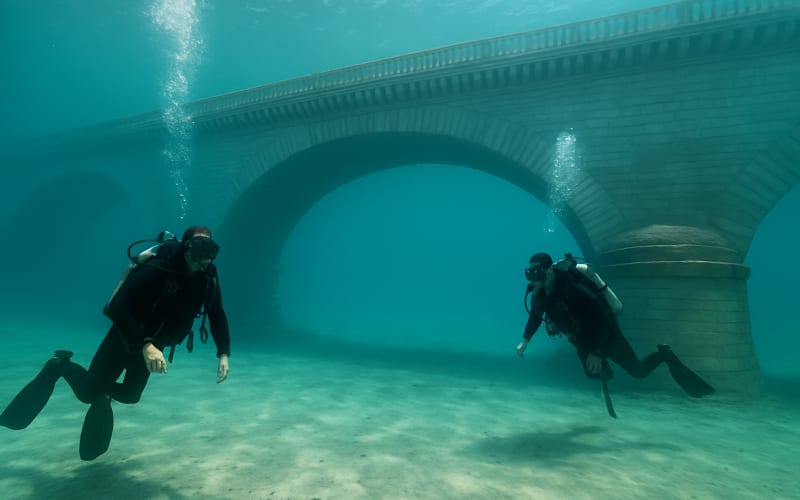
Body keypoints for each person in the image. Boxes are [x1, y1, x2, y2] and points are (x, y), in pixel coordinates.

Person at [0, 226, 231, 460]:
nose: (203, 262)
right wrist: (146, 345)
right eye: (199, 252)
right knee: (87, 394)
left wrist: (223, 352)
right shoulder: (158, 268)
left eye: (209, 253)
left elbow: (216, 313)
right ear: (186, 247)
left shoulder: (207, 273)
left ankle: (103, 392)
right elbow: (117, 307)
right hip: (124, 338)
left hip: (153, 347)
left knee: (131, 395)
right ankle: (60, 365)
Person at [516, 252, 713, 415]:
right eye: (531, 272)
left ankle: (664, 354)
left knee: (638, 372)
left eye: (538, 271)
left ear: (549, 270)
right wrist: (525, 341)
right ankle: (602, 364)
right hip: (582, 341)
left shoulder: (572, 289)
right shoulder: (539, 295)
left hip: (607, 337)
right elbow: (535, 316)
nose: (534, 277)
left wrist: (598, 352)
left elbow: (602, 319)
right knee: (595, 374)